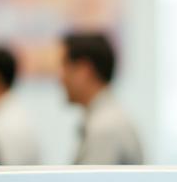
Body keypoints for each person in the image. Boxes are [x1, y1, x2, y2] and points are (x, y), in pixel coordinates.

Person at [60, 33, 143, 165]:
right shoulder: (107, 119)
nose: (61, 78)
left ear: (84, 70)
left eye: (64, 66)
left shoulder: (104, 129)